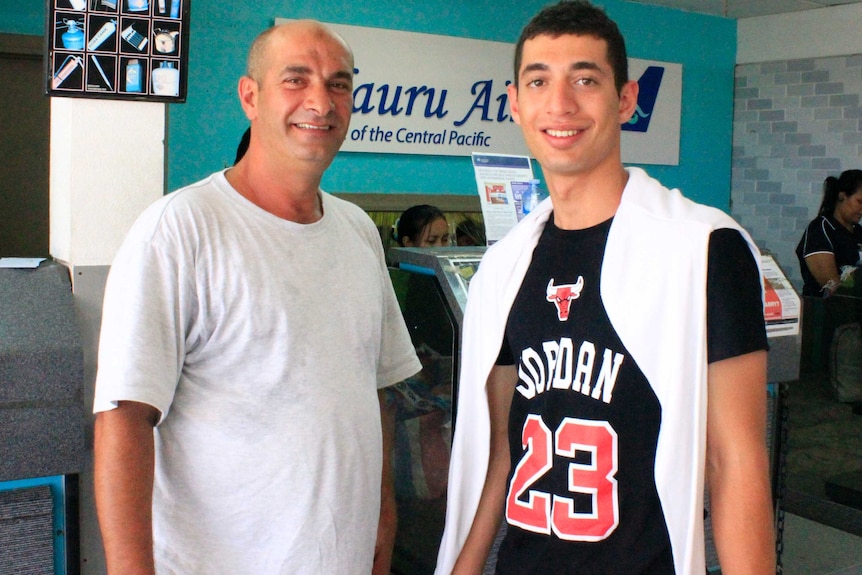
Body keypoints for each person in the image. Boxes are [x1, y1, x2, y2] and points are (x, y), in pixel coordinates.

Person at [435, 2, 775, 574]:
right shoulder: (505, 267)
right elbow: (499, 451)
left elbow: (735, 460)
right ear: (515, 103)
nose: (560, 104)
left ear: (625, 99)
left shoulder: (704, 248)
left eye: (585, 79)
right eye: (539, 80)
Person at [92, 20, 421, 575]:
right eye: (297, 79)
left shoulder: (359, 230)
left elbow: (375, 391)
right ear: (251, 96)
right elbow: (123, 420)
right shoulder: (180, 229)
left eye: (339, 84)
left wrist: (383, 514)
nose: (321, 101)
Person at [796, 170, 862, 297]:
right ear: (842, 196)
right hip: (824, 312)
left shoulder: (858, 232)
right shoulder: (821, 228)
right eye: (859, 202)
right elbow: (831, 285)